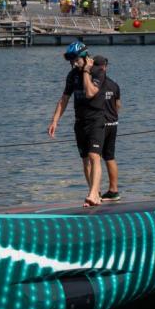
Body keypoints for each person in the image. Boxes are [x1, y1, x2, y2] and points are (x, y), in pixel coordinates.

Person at [47, 42, 107, 206]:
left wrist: (86, 70)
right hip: (80, 122)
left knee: (95, 156)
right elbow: (64, 98)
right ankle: (95, 192)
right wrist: (54, 121)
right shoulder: (72, 75)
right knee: (85, 160)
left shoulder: (98, 72)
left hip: (95, 120)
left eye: (76, 60)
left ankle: (93, 194)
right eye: (71, 61)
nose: (73, 64)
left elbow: (90, 93)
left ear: (85, 58)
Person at [95, 56, 122, 200]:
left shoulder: (95, 84)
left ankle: (96, 191)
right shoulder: (114, 85)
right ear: (105, 67)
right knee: (110, 157)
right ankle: (113, 190)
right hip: (113, 124)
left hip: (100, 125)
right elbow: (118, 106)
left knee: (95, 157)